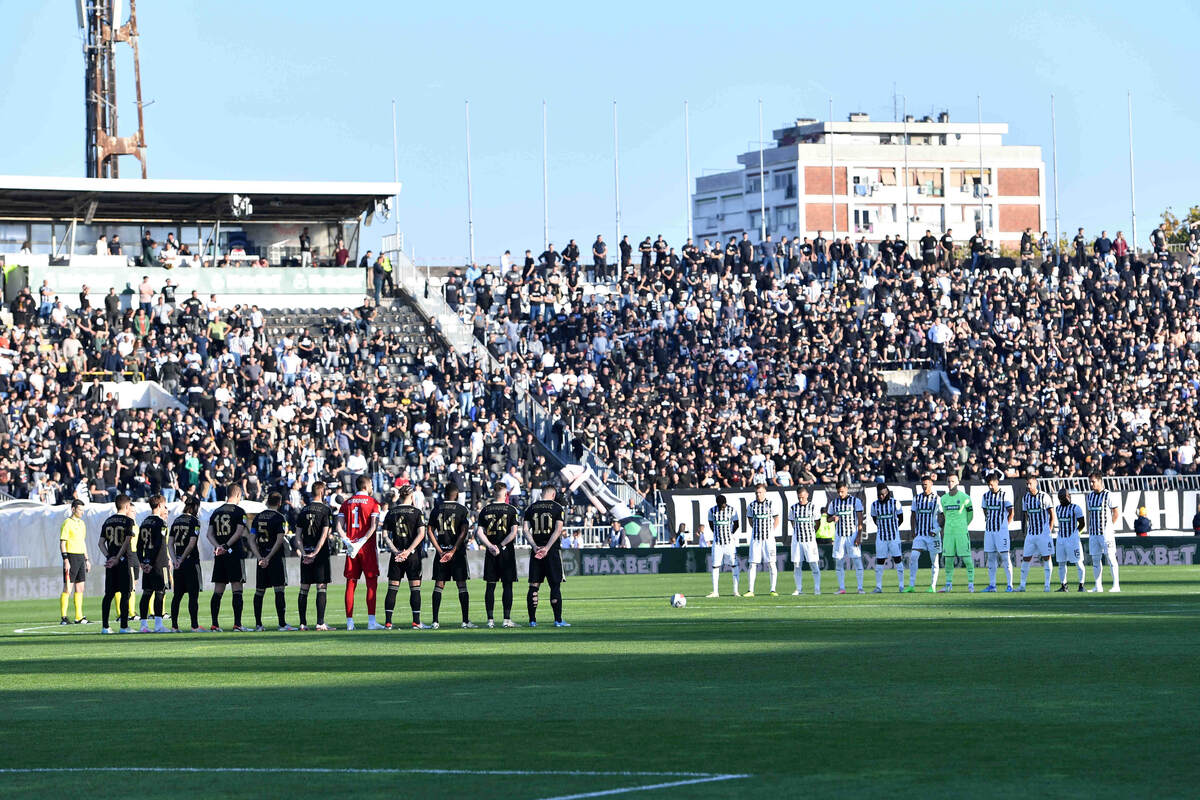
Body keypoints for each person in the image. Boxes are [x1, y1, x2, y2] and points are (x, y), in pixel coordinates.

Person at [338, 476, 383, 630]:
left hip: (351, 548)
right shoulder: (373, 502)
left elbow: (339, 527)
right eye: (371, 484)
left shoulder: (346, 503)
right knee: (371, 584)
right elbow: (373, 527)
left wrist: (348, 542)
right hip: (367, 548)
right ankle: (371, 621)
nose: (372, 487)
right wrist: (360, 542)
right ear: (366, 485)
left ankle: (350, 623)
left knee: (351, 584)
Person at [381, 483, 428, 629]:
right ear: (411, 496)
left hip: (396, 555)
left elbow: (385, 535)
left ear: (400, 496)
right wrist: (408, 551)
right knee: (415, 588)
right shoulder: (417, 512)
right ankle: (416, 622)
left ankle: (388, 622)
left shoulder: (391, 512)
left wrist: (395, 551)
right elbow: (421, 534)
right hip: (412, 556)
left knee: (392, 588)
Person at [427, 483, 474, 629]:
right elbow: (464, 531)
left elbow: (429, 530)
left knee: (439, 585)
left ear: (445, 494)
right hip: (457, 553)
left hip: (441, 552)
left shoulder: (436, 509)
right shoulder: (462, 510)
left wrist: (439, 550)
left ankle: (435, 621)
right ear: (457, 495)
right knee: (462, 585)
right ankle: (465, 621)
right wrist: (453, 550)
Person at [475, 483, 520, 628]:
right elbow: (513, 532)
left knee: (490, 585)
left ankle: (490, 620)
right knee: (507, 585)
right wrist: (500, 546)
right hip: (506, 552)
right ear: (505, 493)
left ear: (493, 493)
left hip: (491, 552)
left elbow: (479, 532)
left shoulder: (485, 509)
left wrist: (490, 546)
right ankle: (506, 620)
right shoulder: (511, 509)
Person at [250, 492, 296, 631]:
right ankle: (282, 624)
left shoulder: (258, 517)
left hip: (261, 557)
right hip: (274, 558)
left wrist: (260, 557)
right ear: (279, 503)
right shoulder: (279, 517)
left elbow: (251, 540)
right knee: (279, 590)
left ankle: (258, 624)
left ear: (267, 501)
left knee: (259, 591)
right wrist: (269, 557)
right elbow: (280, 539)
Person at [207, 483, 250, 631]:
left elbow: (209, 535)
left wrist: (219, 547)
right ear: (237, 495)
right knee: (237, 588)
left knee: (218, 589)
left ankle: (214, 624)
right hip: (234, 553)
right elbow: (239, 532)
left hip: (219, 555)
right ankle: (237, 624)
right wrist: (226, 546)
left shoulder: (216, 511)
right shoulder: (239, 511)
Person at [524, 483, 567, 627]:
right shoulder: (557, 508)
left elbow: (525, 530)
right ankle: (558, 620)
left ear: (542, 493)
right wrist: (547, 548)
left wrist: (535, 546)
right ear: (553, 494)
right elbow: (558, 530)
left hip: (536, 551)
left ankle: (532, 620)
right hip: (551, 551)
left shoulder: (531, 508)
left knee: (534, 586)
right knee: (555, 585)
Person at [295, 482, 334, 630]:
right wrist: (315, 553)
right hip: (320, 554)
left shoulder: (303, 510)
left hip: (306, 552)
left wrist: (304, 553)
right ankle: (320, 622)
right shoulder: (325, 510)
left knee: (304, 588)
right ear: (322, 492)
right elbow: (324, 534)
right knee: (321, 587)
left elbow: (297, 537)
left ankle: (302, 623)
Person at [99, 493, 137, 634]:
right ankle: (124, 626)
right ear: (126, 506)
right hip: (123, 561)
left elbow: (100, 543)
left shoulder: (108, 521)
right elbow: (127, 541)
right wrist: (117, 558)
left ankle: (105, 627)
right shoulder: (128, 521)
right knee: (126, 593)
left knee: (109, 594)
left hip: (111, 563)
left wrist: (110, 557)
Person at [168, 495, 204, 633]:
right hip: (190, 562)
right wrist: (182, 558)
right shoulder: (194, 521)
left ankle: (174, 626)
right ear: (195, 507)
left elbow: (170, 543)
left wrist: (175, 559)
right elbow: (192, 543)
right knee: (193, 595)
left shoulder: (176, 520)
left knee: (177, 595)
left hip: (178, 563)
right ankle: (194, 626)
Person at [136, 494, 170, 633]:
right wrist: (151, 562)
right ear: (160, 505)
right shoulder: (161, 523)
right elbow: (159, 544)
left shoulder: (145, 522)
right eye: (164, 505)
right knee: (160, 592)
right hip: (159, 563)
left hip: (146, 562)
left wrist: (143, 561)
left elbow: (139, 545)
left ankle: (143, 625)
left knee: (147, 593)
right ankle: (158, 625)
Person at [1018, 475, 1057, 592]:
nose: (1028, 486)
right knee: (1026, 558)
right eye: (1027, 484)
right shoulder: (1025, 498)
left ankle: (1047, 585)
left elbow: (1052, 514)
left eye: (1030, 483)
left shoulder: (1044, 496)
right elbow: (1026, 515)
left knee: (1046, 558)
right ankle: (1022, 586)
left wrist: (1048, 529)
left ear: (1036, 483)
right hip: (1031, 534)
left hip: (1043, 533)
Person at [938, 473, 975, 592]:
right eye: (948, 481)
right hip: (948, 533)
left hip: (961, 532)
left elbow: (970, 515)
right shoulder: (943, 499)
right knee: (948, 559)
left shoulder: (965, 498)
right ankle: (948, 584)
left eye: (953, 481)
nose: (950, 484)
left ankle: (971, 584)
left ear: (958, 482)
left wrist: (963, 525)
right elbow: (945, 515)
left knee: (967, 559)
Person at [1086, 474, 1121, 592]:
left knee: (1111, 557)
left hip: (1106, 534)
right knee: (1095, 560)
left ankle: (1116, 586)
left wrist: (1109, 527)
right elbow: (1091, 514)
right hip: (1094, 533)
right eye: (1090, 482)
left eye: (1093, 481)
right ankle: (1098, 586)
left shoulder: (1108, 495)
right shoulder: (1090, 496)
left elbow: (1116, 512)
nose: (1091, 484)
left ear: (1100, 481)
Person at [828, 481, 864, 594]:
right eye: (838, 492)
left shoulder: (855, 501)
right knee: (838, 562)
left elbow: (860, 520)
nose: (840, 494)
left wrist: (859, 536)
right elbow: (828, 518)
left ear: (846, 489)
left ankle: (860, 588)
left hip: (852, 535)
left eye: (842, 491)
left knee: (857, 561)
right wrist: (833, 518)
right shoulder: (834, 503)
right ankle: (841, 588)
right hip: (839, 536)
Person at [743, 484, 780, 597]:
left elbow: (776, 518)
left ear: (764, 492)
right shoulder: (751, 505)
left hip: (769, 539)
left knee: (771, 563)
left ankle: (773, 589)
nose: (758, 495)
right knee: (752, 564)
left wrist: (771, 531)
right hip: (756, 539)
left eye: (760, 492)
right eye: (757, 493)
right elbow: (750, 520)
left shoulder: (771, 504)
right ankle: (750, 590)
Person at [908, 474, 942, 593]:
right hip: (920, 534)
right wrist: (912, 530)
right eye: (923, 485)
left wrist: (937, 529)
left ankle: (933, 586)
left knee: (934, 561)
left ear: (931, 484)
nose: (924, 486)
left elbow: (943, 516)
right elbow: (913, 515)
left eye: (926, 484)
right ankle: (911, 585)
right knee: (913, 557)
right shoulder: (917, 498)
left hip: (933, 535)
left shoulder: (937, 498)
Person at [980, 472, 1014, 592]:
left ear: (996, 482)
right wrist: (988, 520)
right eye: (988, 485)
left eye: (991, 484)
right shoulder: (985, 496)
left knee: (1005, 557)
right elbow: (985, 510)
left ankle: (1010, 585)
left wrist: (1005, 525)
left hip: (1001, 531)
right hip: (989, 531)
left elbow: (1011, 512)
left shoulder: (1004, 495)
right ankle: (992, 585)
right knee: (991, 557)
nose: (990, 487)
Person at [870, 483, 906, 593]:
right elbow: (874, 519)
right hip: (881, 537)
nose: (881, 496)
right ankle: (878, 587)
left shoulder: (895, 503)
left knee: (898, 560)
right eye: (879, 494)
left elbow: (901, 518)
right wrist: (882, 528)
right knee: (880, 561)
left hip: (894, 537)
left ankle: (901, 586)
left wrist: (893, 528)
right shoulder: (874, 505)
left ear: (887, 493)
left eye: (883, 494)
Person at [59, 499, 89, 625]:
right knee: (68, 587)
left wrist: (87, 559)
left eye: (83, 510)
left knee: (80, 587)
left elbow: (82, 542)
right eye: (80, 510)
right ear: (73, 509)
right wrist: (66, 560)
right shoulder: (67, 523)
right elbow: (62, 543)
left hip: (81, 557)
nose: (82, 512)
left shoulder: (82, 524)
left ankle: (79, 617)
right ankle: (64, 617)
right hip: (71, 557)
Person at [705, 494, 741, 598]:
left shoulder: (732, 510)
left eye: (723, 505)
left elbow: (736, 524)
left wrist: (730, 533)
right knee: (715, 566)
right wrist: (718, 534)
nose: (722, 507)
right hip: (717, 543)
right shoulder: (712, 511)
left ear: (726, 503)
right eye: (720, 505)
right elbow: (711, 525)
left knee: (734, 565)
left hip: (729, 543)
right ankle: (715, 592)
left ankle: (736, 591)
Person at [788, 487, 821, 595]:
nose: (801, 499)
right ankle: (799, 589)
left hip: (810, 541)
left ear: (807, 495)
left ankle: (817, 588)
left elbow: (818, 522)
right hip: (797, 541)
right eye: (799, 498)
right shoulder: (793, 508)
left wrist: (812, 532)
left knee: (814, 564)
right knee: (797, 565)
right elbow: (792, 522)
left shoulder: (813, 507)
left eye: (802, 497)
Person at [1053, 489, 1086, 592]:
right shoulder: (1058, 508)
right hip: (1061, 538)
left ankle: (1081, 585)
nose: (1064, 499)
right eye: (1062, 498)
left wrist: (1076, 534)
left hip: (1072, 539)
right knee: (1061, 563)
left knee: (1078, 562)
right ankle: (1064, 585)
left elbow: (1082, 523)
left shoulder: (1076, 508)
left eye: (1066, 497)